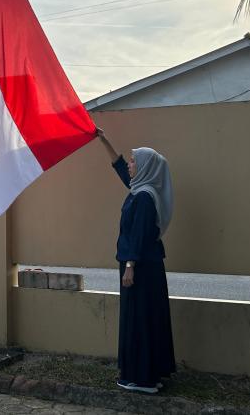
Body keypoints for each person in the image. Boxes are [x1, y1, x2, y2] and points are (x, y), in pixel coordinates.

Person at [96, 128, 176, 394]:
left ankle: (142, 379)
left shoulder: (143, 197)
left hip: (139, 267)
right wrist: (104, 139)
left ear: (144, 168)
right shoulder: (143, 189)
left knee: (139, 320)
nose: (130, 165)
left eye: (134, 161)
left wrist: (130, 266)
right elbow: (119, 168)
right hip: (145, 265)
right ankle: (149, 374)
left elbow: (139, 235)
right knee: (147, 318)